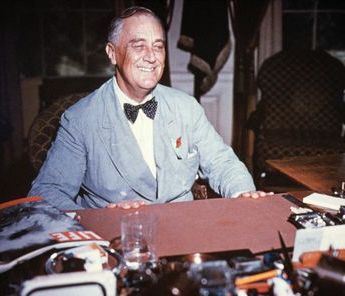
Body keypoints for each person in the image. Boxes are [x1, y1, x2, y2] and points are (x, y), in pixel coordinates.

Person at [28, 6, 272, 211]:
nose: (151, 57)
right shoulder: (80, 119)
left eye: (158, 46)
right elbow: (48, 193)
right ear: (112, 53)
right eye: (138, 45)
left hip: (183, 232)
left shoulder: (186, 107)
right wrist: (98, 221)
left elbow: (222, 163)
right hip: (117, 240)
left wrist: (242, 194)